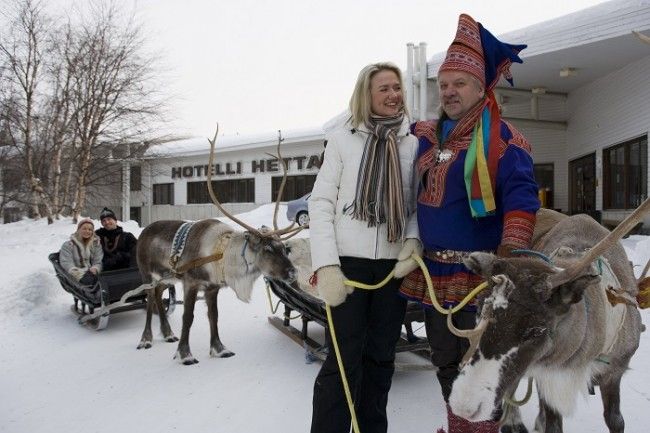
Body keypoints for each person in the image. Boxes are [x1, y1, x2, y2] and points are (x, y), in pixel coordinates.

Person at [398, 14, 540, 433]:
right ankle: (458, 426)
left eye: (459, 83)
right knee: (444, 360)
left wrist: (507, 264)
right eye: (443, 85)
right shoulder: (423, 135)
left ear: (482, 88)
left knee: (484, 367)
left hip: (482, 277)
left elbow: (522, 202)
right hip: (432, 272)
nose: (449, 91)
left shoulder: (505, 140)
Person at [308, 62, 420, 433]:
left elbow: (415, 204)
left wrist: (411, 243)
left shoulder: (412, 142)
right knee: (342, 360)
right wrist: (327, 266)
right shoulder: (342, 141)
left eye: (397, 87)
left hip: (391, 268)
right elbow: (320, 203)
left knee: (381, 359)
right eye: (384, 89)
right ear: (366, 96)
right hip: (348, 267)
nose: (393, 95)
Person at [59, 218, 103, 287]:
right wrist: (78, 275)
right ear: (78, 230)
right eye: (84, 228)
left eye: (90, 229)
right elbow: (66, 262)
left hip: (91, 273)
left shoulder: (96, 244)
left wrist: (95, 269)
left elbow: (98, 261)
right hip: (76, 275)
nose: (87, 231)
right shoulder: (68, 245)